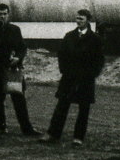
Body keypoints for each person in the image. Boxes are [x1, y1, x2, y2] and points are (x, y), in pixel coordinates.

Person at [41, 9, 106, 146]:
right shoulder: (69, 36)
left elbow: (99, 60)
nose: (79, 21)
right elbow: (62, 55)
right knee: (62, 106)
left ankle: (78, 137)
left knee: (84, 109)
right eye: (77, 18)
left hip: (86, 79)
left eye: (81, 19)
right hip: (69, 77)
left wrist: (92, 74)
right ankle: (53, 134)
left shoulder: (95, 39)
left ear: (88, 20)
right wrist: (64, 70)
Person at [0, 3, 39, 135]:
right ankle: (1, 126)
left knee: (19, 98)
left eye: (4, 14)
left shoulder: (15, 29)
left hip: (13, 69)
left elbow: (22, 47)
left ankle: (26, 128)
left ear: (8, 14)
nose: (2, 16)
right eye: (0, 14)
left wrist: (18, 58)